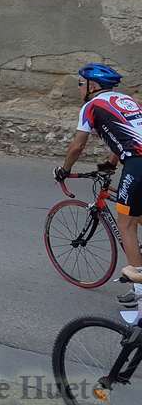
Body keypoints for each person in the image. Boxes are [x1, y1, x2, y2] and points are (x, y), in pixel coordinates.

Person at [55, 63, 142, 307]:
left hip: (138, 164)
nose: (79, 88)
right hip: (135, 160)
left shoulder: (91, 106)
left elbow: (77, 146)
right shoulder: (128, 101)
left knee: (126, 223)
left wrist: (64, 170)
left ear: (92, 85)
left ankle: (139, 290)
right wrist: (111, 163)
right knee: (137, 213)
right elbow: (128, 135)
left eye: (80, 84)